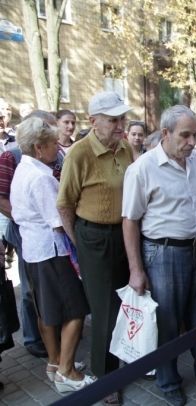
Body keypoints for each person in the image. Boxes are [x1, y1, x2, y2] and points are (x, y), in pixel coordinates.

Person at [122, 105, 196, 406]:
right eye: (185, 135)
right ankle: (168, 379)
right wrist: (136, 270)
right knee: (167, 320)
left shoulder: (193, 162)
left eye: (195, 134)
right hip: (162, 253)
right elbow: (130, 221)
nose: (192, 142)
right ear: (166, 133)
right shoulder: (142, 169)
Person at [57, 90, 133, 406]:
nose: (120, 125)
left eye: (122, 118)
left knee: (125, 303)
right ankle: (105, 380)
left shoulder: (126, 148)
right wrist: (82, 244)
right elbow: (64, 204)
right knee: (104, 311)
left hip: (125, 233)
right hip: (94, 236)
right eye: (113, 120)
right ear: (93, 122)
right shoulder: (79, 153)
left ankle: (126, 361)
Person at [11, 117, 94, 393]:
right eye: (51, 143)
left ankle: (55, 362)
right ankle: (66, 372)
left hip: (34, 251)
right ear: (38, 147)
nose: (57, 147)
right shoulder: (41, 177)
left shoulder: (23, 169)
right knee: (75, 310)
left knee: (46, 312)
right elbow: (59, 221)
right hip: (52, 252)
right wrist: (80, 246)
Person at [0, 110, 60, 359]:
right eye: (49, 129)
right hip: (29, 233)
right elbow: (2, 198)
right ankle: (34, 339)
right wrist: (26, 219)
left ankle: (54, 343)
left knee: (47, 292)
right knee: (30, 290)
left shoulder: (55, 157)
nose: (55, 138)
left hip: (47, 235)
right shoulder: (11, 157)